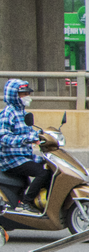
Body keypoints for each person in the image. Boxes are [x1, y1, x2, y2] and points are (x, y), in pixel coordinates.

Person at [0, 80, 50, 213]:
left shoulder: (22, 112)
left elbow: (29, 132)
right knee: (42, 173)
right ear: (14, 96)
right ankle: (25, 203)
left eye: (28, 93)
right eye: (23, 94)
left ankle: (42, 202)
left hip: (24, 155)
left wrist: (42, 135)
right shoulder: (8, 113)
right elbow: (4, 138)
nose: (27, 96)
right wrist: (28, 139)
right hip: (12, 158)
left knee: (51, 168)